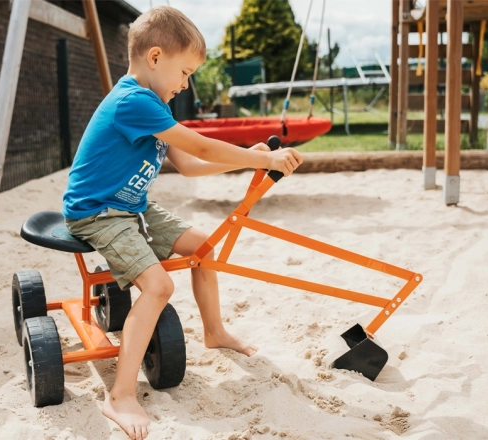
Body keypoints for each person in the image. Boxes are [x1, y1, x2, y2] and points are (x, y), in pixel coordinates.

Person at [62, 6, 303, 440]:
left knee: (204, 249)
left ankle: (214, 332)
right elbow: (202, 148)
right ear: (155, 58)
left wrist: (249, 160)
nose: (186, 83)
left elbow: (190, 164)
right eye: (185, 71)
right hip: (98, 211)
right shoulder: (133, 102)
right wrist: (262, 157)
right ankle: (120, 395)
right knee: (159, 287)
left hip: (130, 205)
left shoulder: (151, 103)